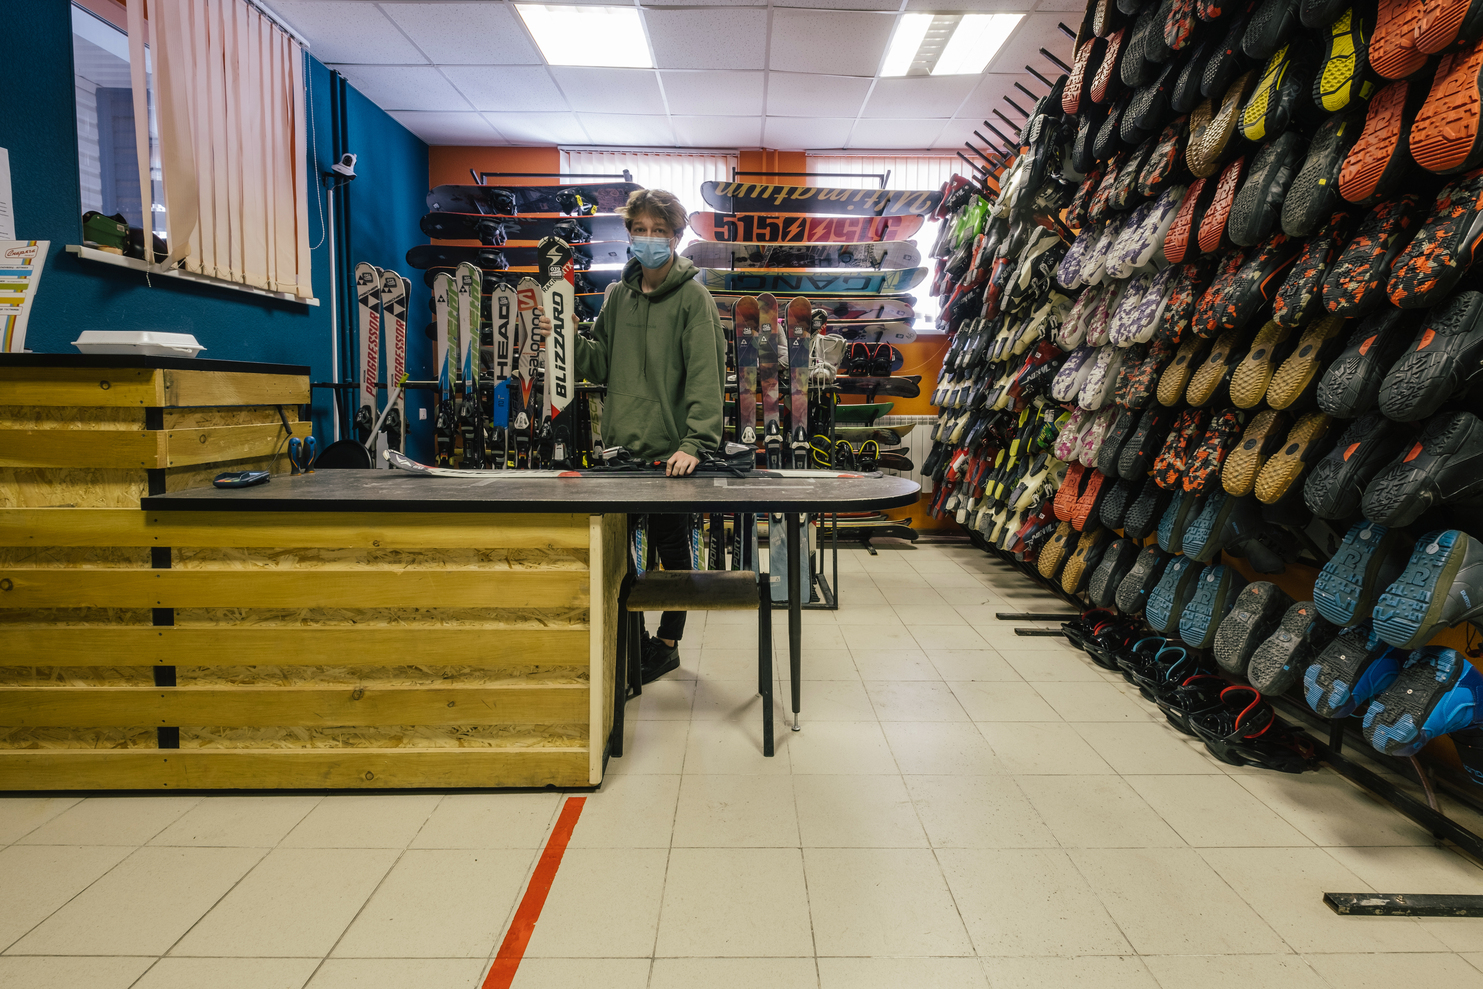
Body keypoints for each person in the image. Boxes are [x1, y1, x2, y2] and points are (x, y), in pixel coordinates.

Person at [536, 189, 726, 683]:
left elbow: (706, 378)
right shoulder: (618, 297)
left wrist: (696, 442)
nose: (648, 239)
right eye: (639, 229)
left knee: (672, 554)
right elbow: (599, 363)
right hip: (621, 451)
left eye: (658, 231)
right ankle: (633, 638)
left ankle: (667, 645)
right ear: (628, 234)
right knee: (620, 554)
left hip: (671, 454)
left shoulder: (694, 300)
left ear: (675, 237)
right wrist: (565, 336)